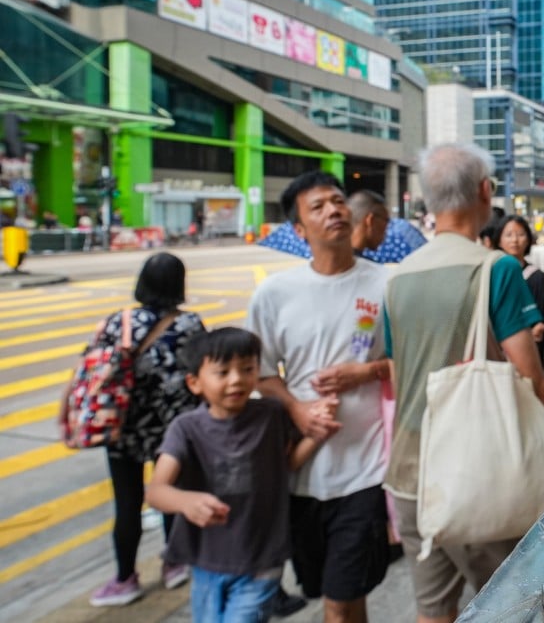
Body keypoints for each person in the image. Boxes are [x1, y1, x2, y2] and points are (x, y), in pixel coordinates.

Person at [384, 142, 544, 623]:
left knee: (433, 610)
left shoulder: (396, 278)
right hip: (478, 471)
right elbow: (531, 378)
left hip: (410, 475)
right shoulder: (495, 268)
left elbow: (398, 379)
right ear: (484, 191)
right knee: (507, 605)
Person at [247, 171, 391, 623]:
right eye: (319, 207)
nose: (334, 210)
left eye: (338, 201)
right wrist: (298, 409)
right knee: (337, 594)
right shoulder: (274, 293)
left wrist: (365, 372)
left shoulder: (388, 283)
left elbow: (414, 360)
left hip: (367, 470)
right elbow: (262, 373)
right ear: (298, 230)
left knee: (341, 599)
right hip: (302, 472)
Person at [146, 328, 322, 622]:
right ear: (194, 382)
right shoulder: (186, 429)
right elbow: (156, 491)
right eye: (222, 372)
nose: (237, 379)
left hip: (262, 559)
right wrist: (186, 502)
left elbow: (287, 464)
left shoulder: (272, 414)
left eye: (247, 369)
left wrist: (316, 435)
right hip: (207, 561)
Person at [63, 253, 207, 607]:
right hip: (173, 430)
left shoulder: (120, 321)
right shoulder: (190, 325)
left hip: (122, 426)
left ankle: (125, 578)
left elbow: (89, 368)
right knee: (171, 496)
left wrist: (66, 408)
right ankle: (175, 563)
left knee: (127, 504)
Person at [495, 214, 544, 368]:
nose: (515, 240)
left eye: (520, 234)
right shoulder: (493, 274)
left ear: (528, 239)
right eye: (509, 235)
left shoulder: (537, 277)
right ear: (499, 240)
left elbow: (540, 322)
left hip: (528, 352)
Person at [348, 190, 390, 257]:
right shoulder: (359, 264)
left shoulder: (332, 257)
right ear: (370, 220)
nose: (387, 228)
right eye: (386, 220)